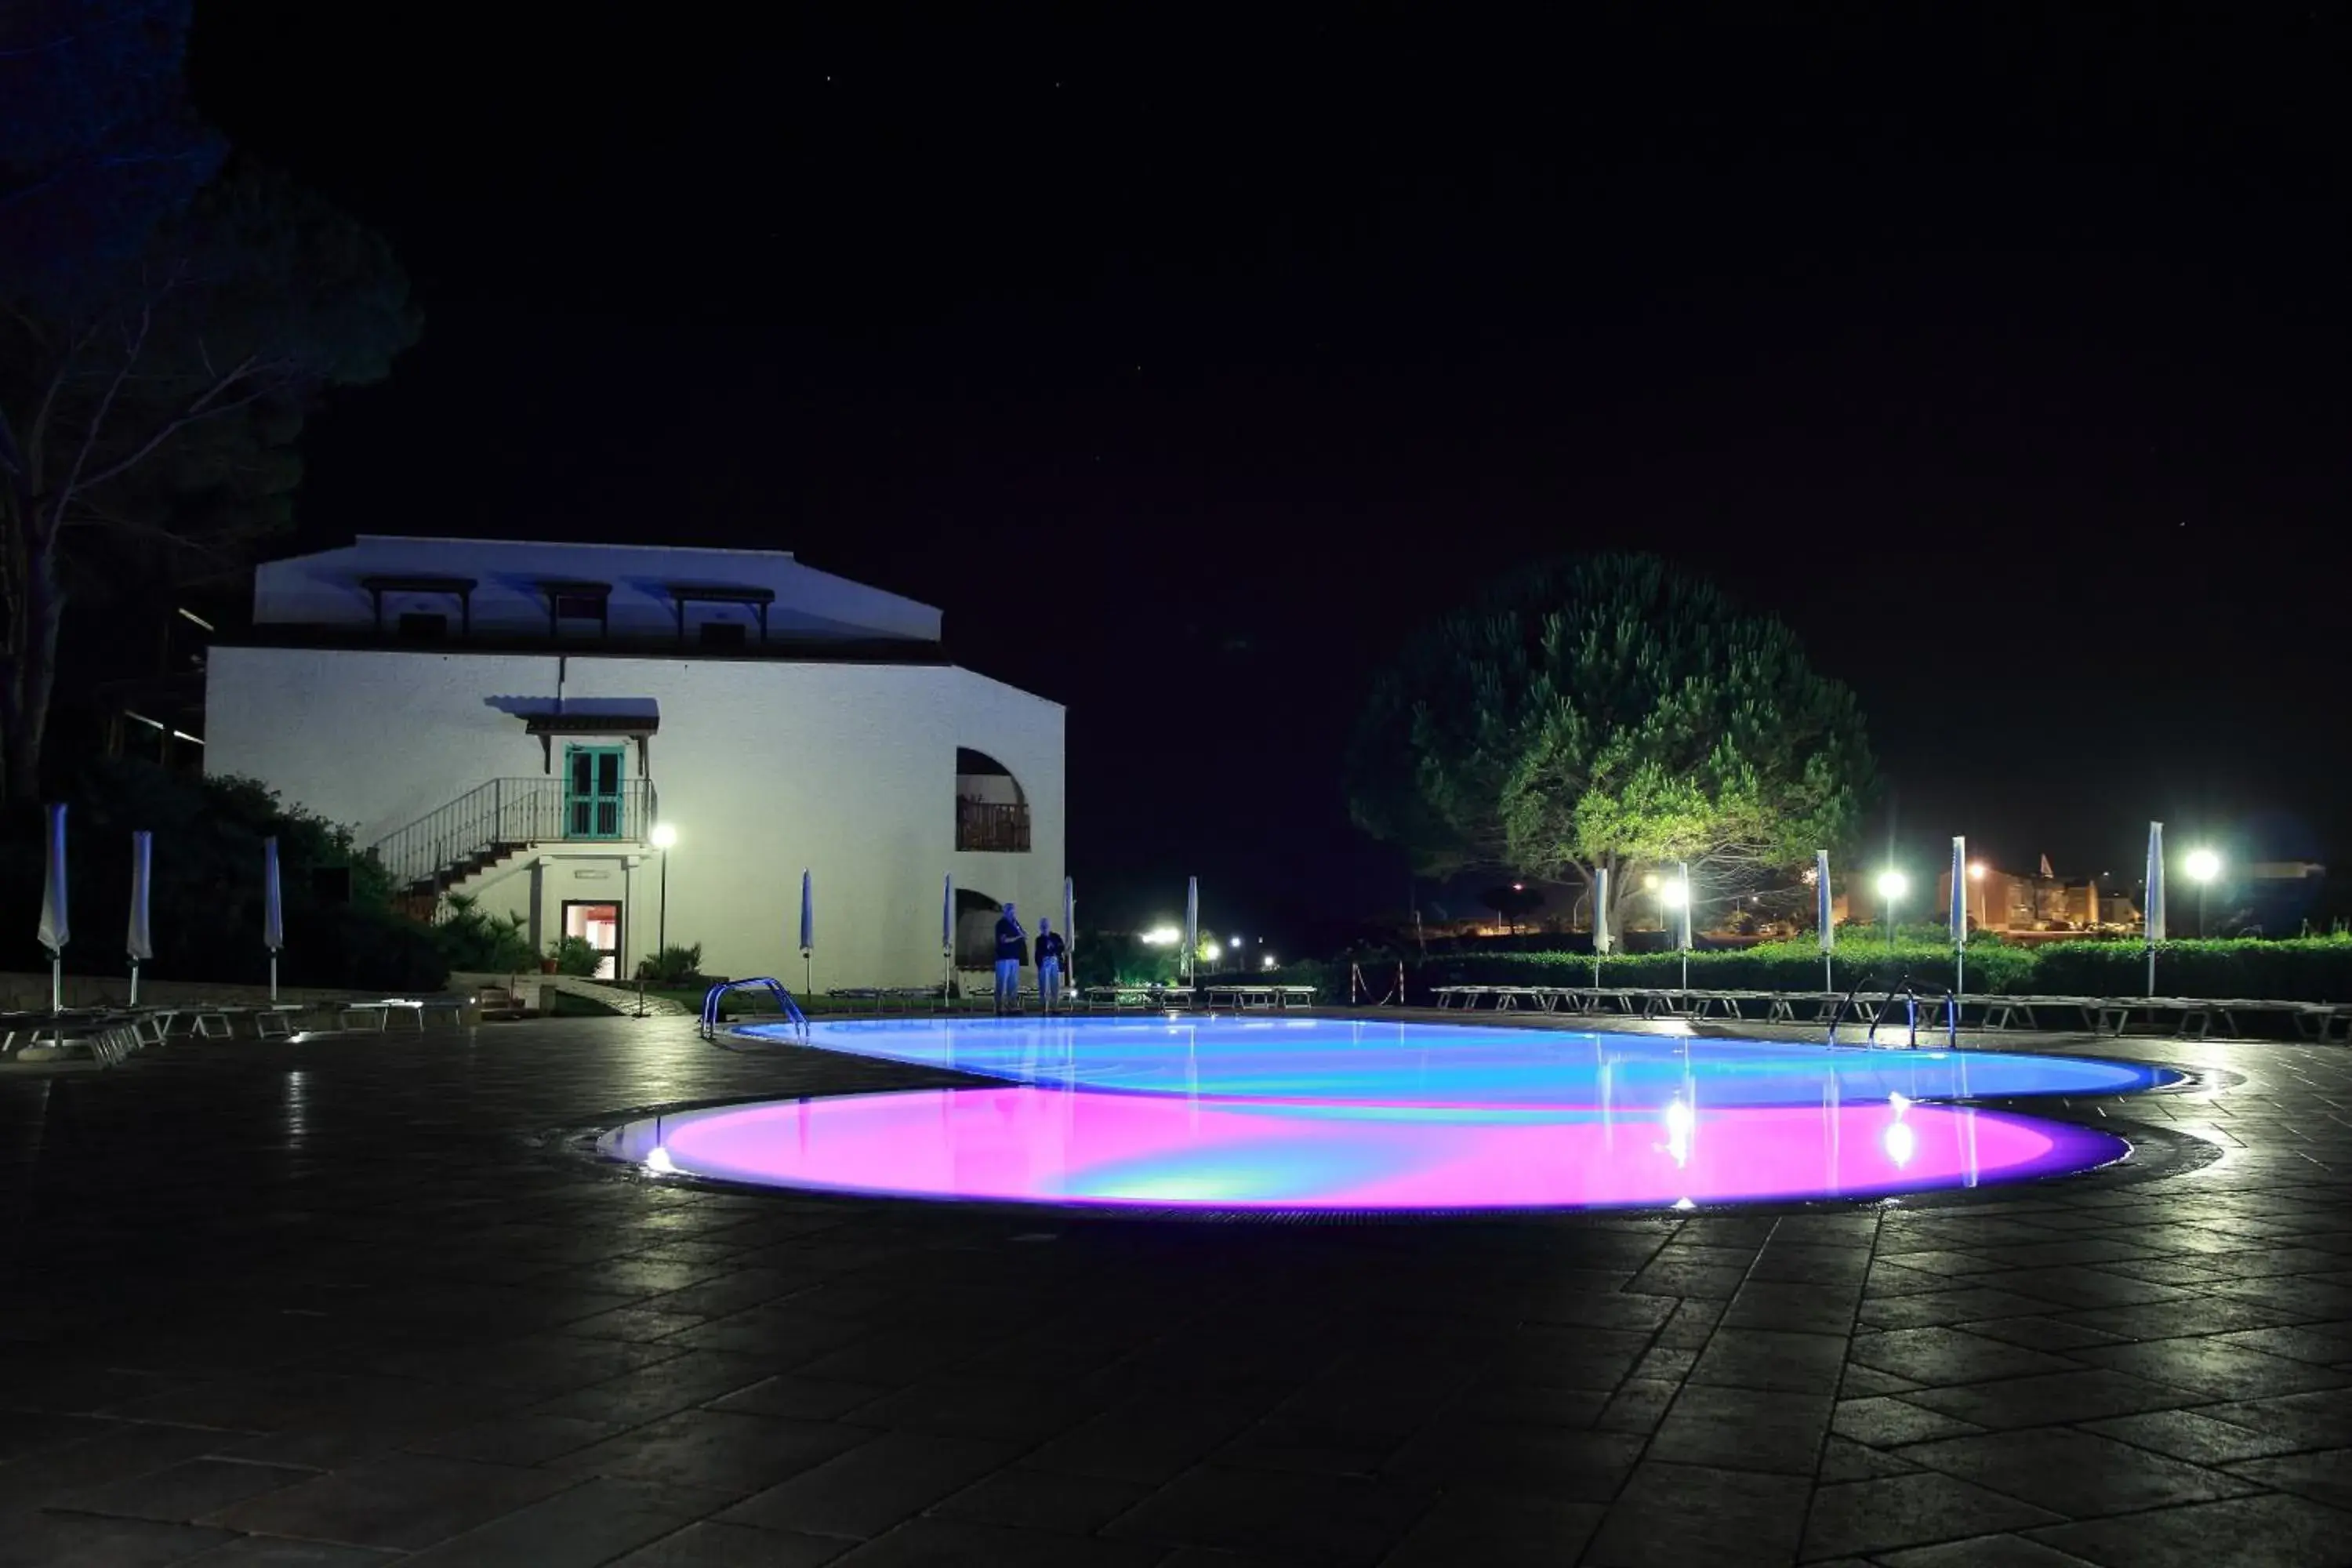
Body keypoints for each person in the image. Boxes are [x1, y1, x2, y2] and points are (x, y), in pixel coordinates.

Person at [993, 901, 1026, 1014]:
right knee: (1002, 982)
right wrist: (1018, 937)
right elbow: (1004, 940)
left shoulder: (1015, 923)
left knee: (1013, 983)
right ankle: (1000, 1006)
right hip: (1003, 958)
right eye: (1010, 910)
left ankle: (1012, 1005)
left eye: (1013, 910)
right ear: (1005, 912)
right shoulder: (1001, 924)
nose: (1012, 913)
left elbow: (1021, 935)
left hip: (1014, 957)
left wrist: (1022, 935)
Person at [1034, 917, 1066, 1012]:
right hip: (1045, 962)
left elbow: (1062, 947)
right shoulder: (1039, 939)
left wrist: (1054, 947)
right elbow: (1038, 953)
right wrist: (1040, 963)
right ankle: (1045, 1006)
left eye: (1046, 925)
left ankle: (1055, 1006)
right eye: (1043, 926)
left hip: (1054, 961)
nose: (1045, 927)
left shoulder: (1055, 937)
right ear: (1040, 927)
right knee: (1044, 985)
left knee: (1055, 985)